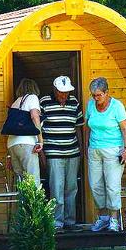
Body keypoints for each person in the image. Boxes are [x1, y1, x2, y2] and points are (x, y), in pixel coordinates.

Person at [84, 76, 126, 232]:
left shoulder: (117, 106)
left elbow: (124, 128)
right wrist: (86, 145)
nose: (96, 98)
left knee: (112, 185)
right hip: (94, 149)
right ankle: (102, 218)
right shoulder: (90, 105)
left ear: (106, 92)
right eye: (93, 95)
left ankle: (114, 219)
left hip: (113, 149)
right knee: (95, 185)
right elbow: (87, 126)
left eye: (99, 95)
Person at [39, 76, 84, 231]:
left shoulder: (74, 102)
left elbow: (78, 127)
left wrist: (81, 150)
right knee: (56, 188)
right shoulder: (44, 102)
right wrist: (42, 153)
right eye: (61, 92)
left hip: (73, 152)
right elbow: (38, 129)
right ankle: (57, 223)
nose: (64, 95)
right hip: (53, 153)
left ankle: (70, 222)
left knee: (72, 188)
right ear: (54, 90)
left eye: (66, 92)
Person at [6, 78, 43, 186]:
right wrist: (40, 140)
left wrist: (8, 155)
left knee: (21, 183)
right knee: (33, 182)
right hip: (27, 143)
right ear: (34, 88)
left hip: (12, 145)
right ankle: (34, 199)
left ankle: (21, 199)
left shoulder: (15, 103)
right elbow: (34, 116)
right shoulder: (32, 97)